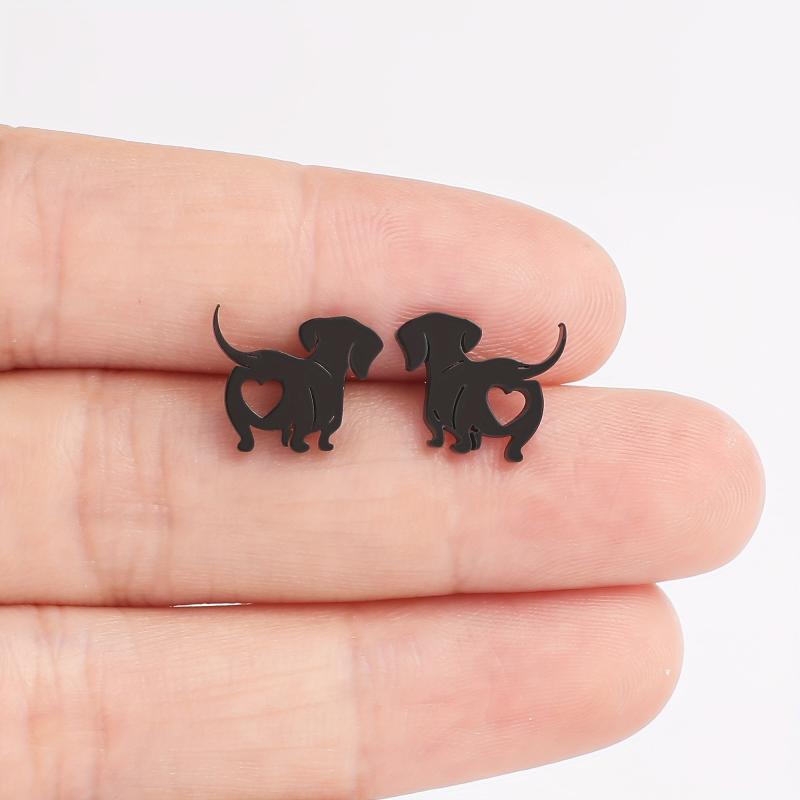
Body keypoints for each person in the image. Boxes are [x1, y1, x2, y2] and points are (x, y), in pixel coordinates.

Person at [0, 126, 764, 799]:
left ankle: (372, 432)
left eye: (415, 349)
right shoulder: (360, 377)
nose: (392, 358)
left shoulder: (388, 379)